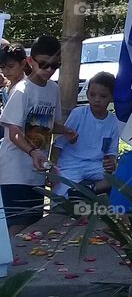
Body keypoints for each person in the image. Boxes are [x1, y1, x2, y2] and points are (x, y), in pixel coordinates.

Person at [0, 34, 77, 235]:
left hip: (37, 172)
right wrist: (33, 152)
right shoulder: (22, 91)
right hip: (14, 171)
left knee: (32, 225)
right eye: (44, 64)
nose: (49, 70)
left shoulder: (53, 89)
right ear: (30, 62)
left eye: (55, 66)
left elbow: (48, 124)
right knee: (17, 226)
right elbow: (14, 132)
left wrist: (67, 130)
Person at [51, 72, 120, 197]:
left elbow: (111, 152)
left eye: (103, 96)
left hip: (95, 165)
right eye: (92, 95)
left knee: (120, 179)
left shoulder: (113, 121)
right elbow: (59, 143)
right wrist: (53, 167)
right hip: (71, 163)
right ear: (87, 93)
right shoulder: (78, 113)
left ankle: (90, 189)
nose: (96, 100)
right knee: (61, 194)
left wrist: (111, 162)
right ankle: (75, 196)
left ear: (111, 97)